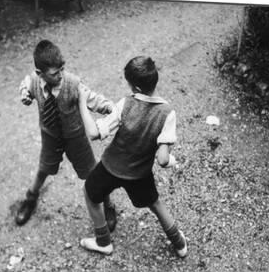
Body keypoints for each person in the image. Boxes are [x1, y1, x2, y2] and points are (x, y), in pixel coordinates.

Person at [78, 55, 187, 257]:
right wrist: (171, 160)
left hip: (111, 167)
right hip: (139, 174)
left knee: (90, 194)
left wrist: (83, 104)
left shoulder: (125, 105)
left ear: (135, 88)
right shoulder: (168, 113)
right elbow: (163, 160)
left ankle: (103, 241)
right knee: (155, 204)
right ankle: (179, 244)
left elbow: (94, 133)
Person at [15, 39, 117, 228]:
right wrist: (24, 93)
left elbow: (93, 99)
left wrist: (112, 108)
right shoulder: (34, 81)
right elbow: (26, 82)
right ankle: (31, 198)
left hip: (75, 138)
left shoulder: (72, 84)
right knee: (43, 168)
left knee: (92, 173)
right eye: (55, 73)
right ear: (41, 74)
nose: (61, 74)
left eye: (62, 68)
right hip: (50, 137)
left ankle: (108, 204)